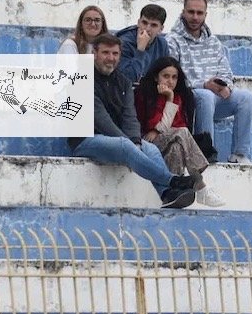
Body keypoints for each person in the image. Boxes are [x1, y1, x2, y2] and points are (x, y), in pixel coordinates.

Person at [68, 34, 197, 208]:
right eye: (106, 53)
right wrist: (129, 144)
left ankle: (166, 194)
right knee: (125, 144)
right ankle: (172, 180)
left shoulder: (123, 81)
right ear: (94, 53)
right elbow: (101, 120)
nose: (111, 58)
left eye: (115, 54)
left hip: (118, 140)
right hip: (85, 141)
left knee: (150, 149)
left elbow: (130, 116)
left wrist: (136, 142)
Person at [167, 0, 252, 164]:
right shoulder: (172, 41)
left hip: (213, 96)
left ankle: (239, 154)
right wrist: (204, 85)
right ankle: (205, 153)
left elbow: (226, 72)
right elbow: (172, 78)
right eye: (191, 12)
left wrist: (226, 87)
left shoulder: (213, 42)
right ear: (183, 12)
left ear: (205, 15)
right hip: (189, 97)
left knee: (246, 98)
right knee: (205, 95)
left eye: (199, 13)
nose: (195, 17)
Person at [135, 57, 226, 207]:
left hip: (168, 141)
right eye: (165, 76)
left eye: (174, 77)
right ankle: (200, 185)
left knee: (176, 148)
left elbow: (171, 129)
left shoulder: (179, 97)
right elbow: (159, 127)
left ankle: (175, 193)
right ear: (155, 76)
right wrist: (169, 99)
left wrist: (161, 127)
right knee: (182, 132)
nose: (170, 81)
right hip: (146, 143)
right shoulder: (145, 94)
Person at [116, 3, 170, 82]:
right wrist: (140, 50)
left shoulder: (162, 44)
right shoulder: (123, 42)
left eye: (153, 25)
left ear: (161, 29)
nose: (147, 29)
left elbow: (165, 75)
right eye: (144, 23)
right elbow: (128, 78)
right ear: (138, 22)